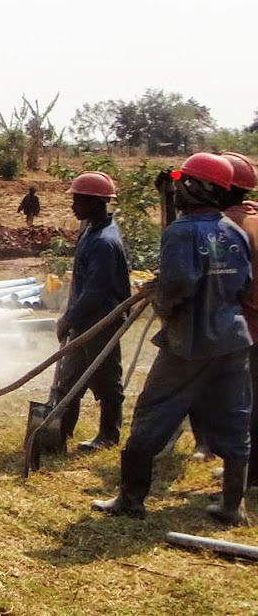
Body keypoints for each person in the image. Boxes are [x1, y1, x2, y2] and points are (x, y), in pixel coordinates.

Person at [93, 152, 252, 524]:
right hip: (232, 339)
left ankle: (130, 501)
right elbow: (242, 284)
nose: (176, 188)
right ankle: (232, 506)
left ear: (197, 187)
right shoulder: (234, 231)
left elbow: (180, 282)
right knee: (234, 419)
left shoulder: (181, 232)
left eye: (182, 181)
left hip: (190, 343)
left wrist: (161, 301)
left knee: (151, 415)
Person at [47, 171, 130, 452]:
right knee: (68, 379)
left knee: (106, 382)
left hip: (101, 322)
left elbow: (96, 291)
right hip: (85, 321)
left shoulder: (103, 242)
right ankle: (59, 432)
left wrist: (68, 319)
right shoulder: (92, 231)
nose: (72, 206)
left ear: (96, 202)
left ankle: (109, 435)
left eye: (78, 200)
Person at [220, 152, 258, 492]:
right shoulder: (253, 217)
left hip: (250, 324)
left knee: (247, 402)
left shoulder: (231, 226)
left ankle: (250, 475)